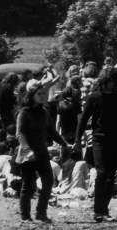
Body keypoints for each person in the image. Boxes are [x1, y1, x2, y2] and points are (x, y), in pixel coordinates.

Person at [74, 67, 117, 223]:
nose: (111, 85)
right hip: (98, 139)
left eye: (113, 81)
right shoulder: (94, 97)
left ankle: (104, 210)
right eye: (108, 81)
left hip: (116, 139)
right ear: (103, 81)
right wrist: (78, 140)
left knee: (110, 176)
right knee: (101, 173)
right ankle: (97, 210)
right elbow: (84, 119)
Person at [16, 77, 69, 223]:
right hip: (27, 156)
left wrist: (65, 144)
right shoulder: (24, 113)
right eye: (39, 94)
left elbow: (52, 132)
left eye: (44, 94)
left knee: (48, 182)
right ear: (32, 95)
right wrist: (28, 150)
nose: (43, 96)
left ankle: (41, 213)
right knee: (29, 186)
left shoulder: (45, 112)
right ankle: (25, 216)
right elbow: (19, 133)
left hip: (42, 153)